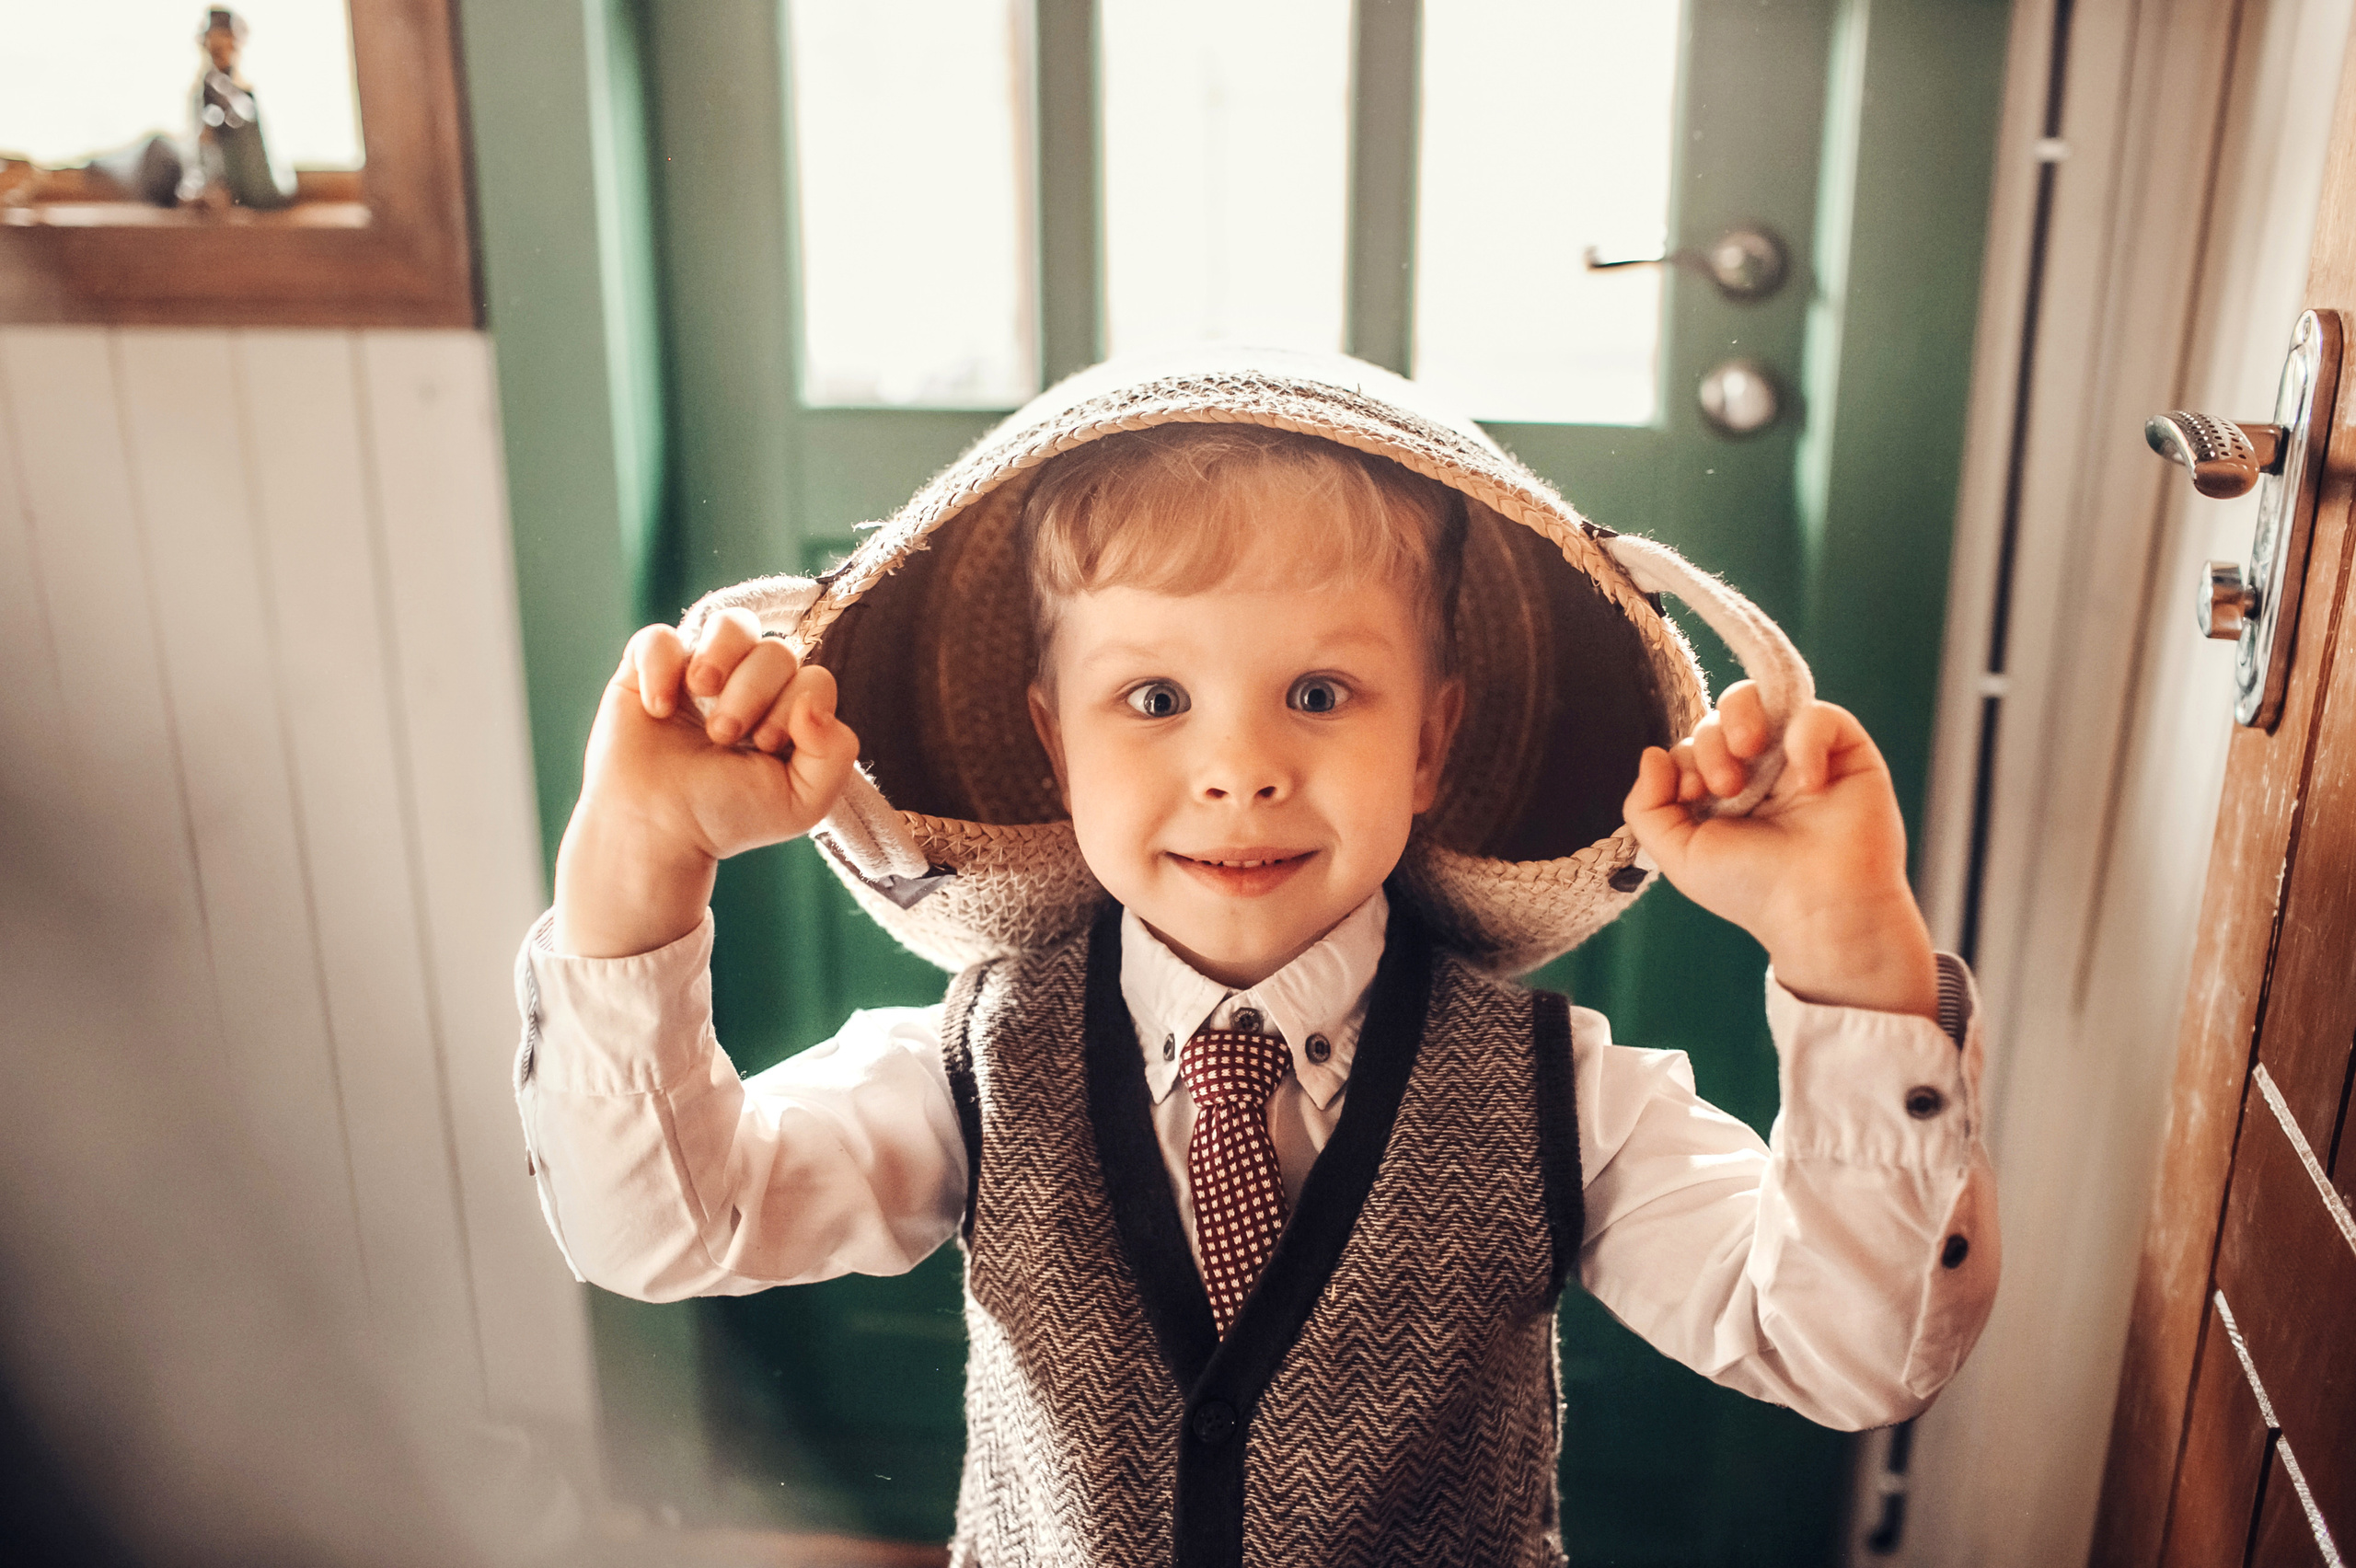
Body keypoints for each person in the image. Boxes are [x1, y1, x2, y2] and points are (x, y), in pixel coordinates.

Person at [515, 351, 1998, 1565]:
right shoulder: (965, 1068)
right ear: (1055, 739)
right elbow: (664, 1230)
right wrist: (637, 865)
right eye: (1154, 696)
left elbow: (1850, 1354)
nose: (1239, 769)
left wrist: (1849, 952)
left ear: (1430, 741)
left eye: (1318, 691)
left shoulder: (1562, 1098)